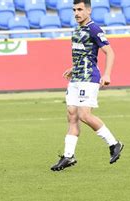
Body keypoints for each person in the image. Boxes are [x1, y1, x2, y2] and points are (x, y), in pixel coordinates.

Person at [50, 0, 124, 171]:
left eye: (80, 9)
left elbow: (110, 52)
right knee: (72, 115)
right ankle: (69, 156)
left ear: (89, 10)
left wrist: (107, 74)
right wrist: (73, 68)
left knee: (84, 115)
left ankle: (114, 143)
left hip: (89, 77)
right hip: (76, 77)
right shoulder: (77, 29)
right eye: (74, 10)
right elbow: (84, 54)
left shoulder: (94, 28)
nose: (77, 13)